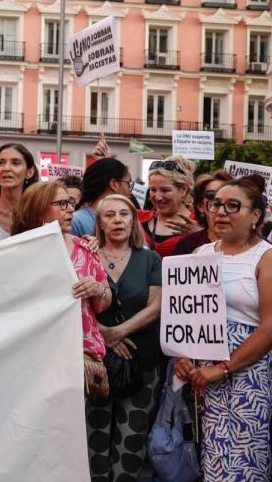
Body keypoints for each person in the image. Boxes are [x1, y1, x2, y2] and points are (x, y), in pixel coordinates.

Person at [175, 175, 272, 481]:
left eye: (232, 206)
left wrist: (225, 368)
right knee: (210, 460)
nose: (221, 212)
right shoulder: (201, 254)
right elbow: (188, 315)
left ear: (255, 215)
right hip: (202, 378)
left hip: (246, 377)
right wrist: (182, 357)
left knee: (242, 462)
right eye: (216, 205)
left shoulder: (271, 258)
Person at [85, 194, 163, 481]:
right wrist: (101, 336)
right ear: (100, 223)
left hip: (141, 364)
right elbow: (75, 303)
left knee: (131, 442)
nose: (117, 220)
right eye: (109, 215)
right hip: (94, 364)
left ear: (133, 221)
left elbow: (157, 306)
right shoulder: (86, 255)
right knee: (93, 439)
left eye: (124, 214)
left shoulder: (151, 259)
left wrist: (116, 332)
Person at [12, 180, 113, 396]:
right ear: (39, 209)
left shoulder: (85, 248)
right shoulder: (16, 251)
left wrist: (98, 290)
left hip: (80, 358)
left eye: (70, 204)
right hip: (33, 359)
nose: (70, 210)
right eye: (61, 204)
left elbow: (104, 303)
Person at [142, 156, 199, 257]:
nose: (158, 197)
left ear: (184, 190)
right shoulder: (139, 218)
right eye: (153, 190)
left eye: (165, 190)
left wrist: (200, 236)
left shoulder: (200, 223)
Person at [172, 169, 232, 256]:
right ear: (200, 206)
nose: (220, 201)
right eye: (212, 195)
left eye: (228, 195)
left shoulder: (250, 243)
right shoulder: (188, 244)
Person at [0, 143, 38, 241]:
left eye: (15, 163)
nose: (6, 168)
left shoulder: (38, 214)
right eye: (1, 163)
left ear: (29, 172)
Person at [71, 158, 134, 238]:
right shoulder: (76, 222)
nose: (130, 191)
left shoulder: (130, 218)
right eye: (128, 184)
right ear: (114, 184)